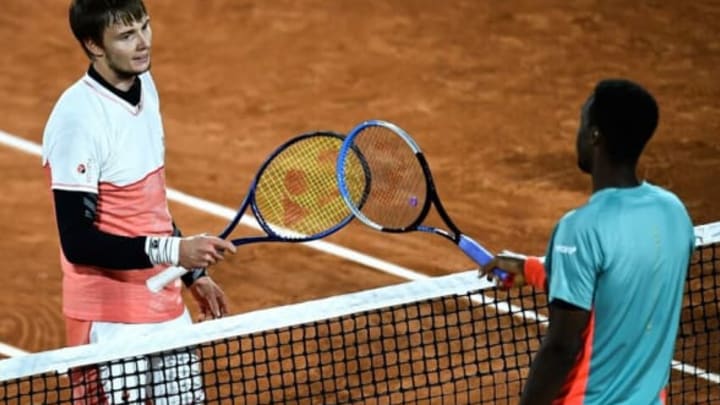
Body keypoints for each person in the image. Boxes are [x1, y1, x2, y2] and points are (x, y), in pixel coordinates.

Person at [41, 1, 236, 403]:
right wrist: (175, 250)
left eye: (145, 28)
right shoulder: (78, 120)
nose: (143, 43)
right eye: (127, 36)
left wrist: (190, 275)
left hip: (163, 301)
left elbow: (150, 206)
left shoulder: (146, 86)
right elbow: (78, 241)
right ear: (94, 44)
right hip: (113, 318)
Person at [480, 79, 695, 405]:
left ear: (595, 136)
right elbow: (623, 284)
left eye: (582, 124)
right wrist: (533, 270)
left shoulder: (579, 229)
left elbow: (562, 347)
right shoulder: (674, 214)